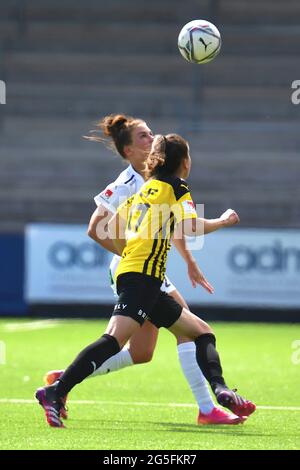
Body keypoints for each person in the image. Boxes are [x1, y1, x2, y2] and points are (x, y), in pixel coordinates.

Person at [36, 132, 256, 428]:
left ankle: (221, 391)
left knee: (200, 331)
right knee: (114, 340)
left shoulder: (145, 191)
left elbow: (111, 227)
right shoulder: (177, 186)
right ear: (185, 163)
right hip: (143, 278)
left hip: (142, 277)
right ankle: (56, 391)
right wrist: (223, 221)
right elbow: (190, 226)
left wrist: (129, 253)